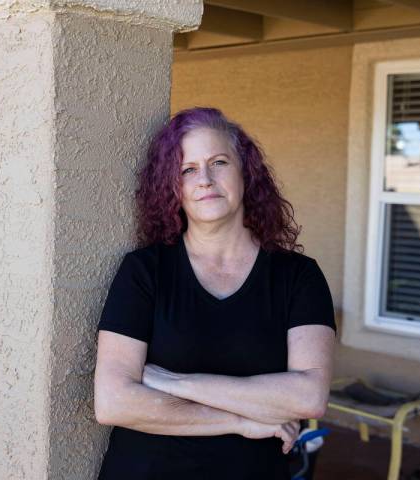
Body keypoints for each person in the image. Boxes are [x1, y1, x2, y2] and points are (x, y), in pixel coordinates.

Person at [93, 107, 336, 480]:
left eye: (218, 162)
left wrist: (176, 381)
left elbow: (308, 397)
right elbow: (113, 403)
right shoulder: (145, 270)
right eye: (187, 169)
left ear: (246, 173)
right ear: (173, 188)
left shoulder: (298, 277)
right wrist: (240, 419)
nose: (204, 179)